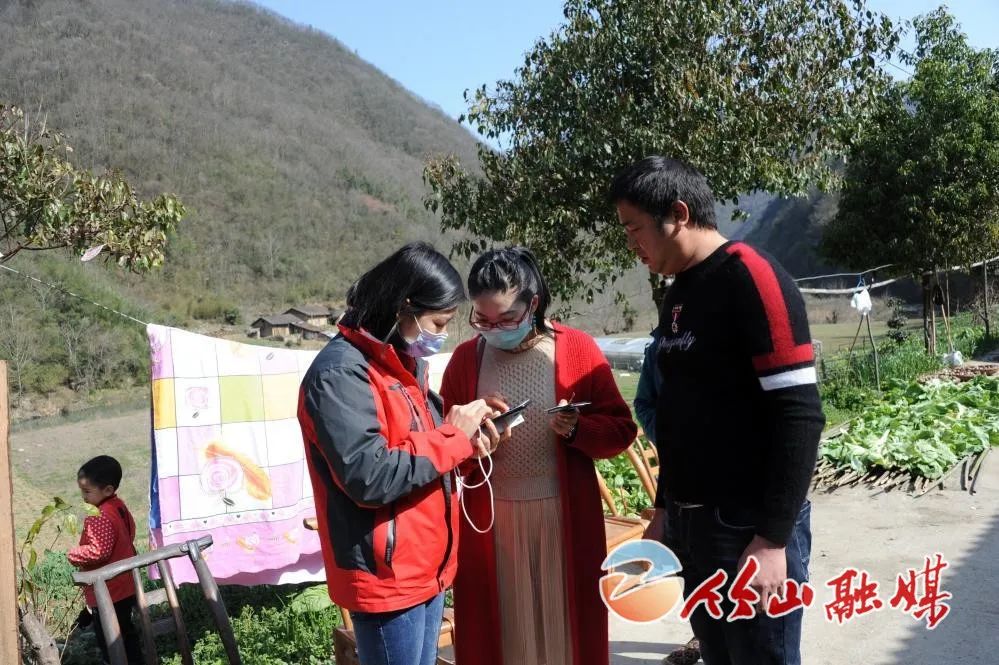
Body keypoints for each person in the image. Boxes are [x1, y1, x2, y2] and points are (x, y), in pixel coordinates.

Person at [611, 156, 825, 665]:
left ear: (678, 214)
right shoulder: (680, 294)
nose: (631, 244)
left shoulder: (751, 277)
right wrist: (664, 509)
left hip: (748, 526)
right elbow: (679, 413)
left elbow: (800, 414)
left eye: (634, 229)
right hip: (696, 528)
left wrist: (773, 540)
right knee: (719, 655)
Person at [298, 242, 508, 665]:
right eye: (437, 322)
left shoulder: (403, 365)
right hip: (387, 577)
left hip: (425, 567)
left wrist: (468, 444)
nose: (441, 335)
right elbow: (369, 475)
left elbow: (421, 455)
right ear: (403, 308)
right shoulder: (340, 374)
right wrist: (454, 437)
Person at [440, 247, 637, 665]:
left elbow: (621, 430)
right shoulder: (464, 361)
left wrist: (580, 429)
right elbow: (445, 449)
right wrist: (476, 443)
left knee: (565, 634)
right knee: (504, 638)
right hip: (492, 525)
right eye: (483, 320)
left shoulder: (577, 350)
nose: (493, 329)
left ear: (533, 304)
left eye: (506, 319)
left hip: (563, 518)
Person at [634, 325, 702, 665]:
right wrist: (674, 436)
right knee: (691, 571)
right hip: (680, 488)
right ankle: (704, 636)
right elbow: (644, 403)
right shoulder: (660, 344)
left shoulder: (733, 328)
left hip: (734, 497)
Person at [67, 455, 143, 665]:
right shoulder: (118, 506)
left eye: (87, 491)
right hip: (126, 583)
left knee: (111, 640)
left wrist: (72, 554)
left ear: (107, 490)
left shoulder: (99, 516)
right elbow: (131, 531)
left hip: (109, 590)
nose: (83, 497)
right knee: (127, 634)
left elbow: (99, 551)